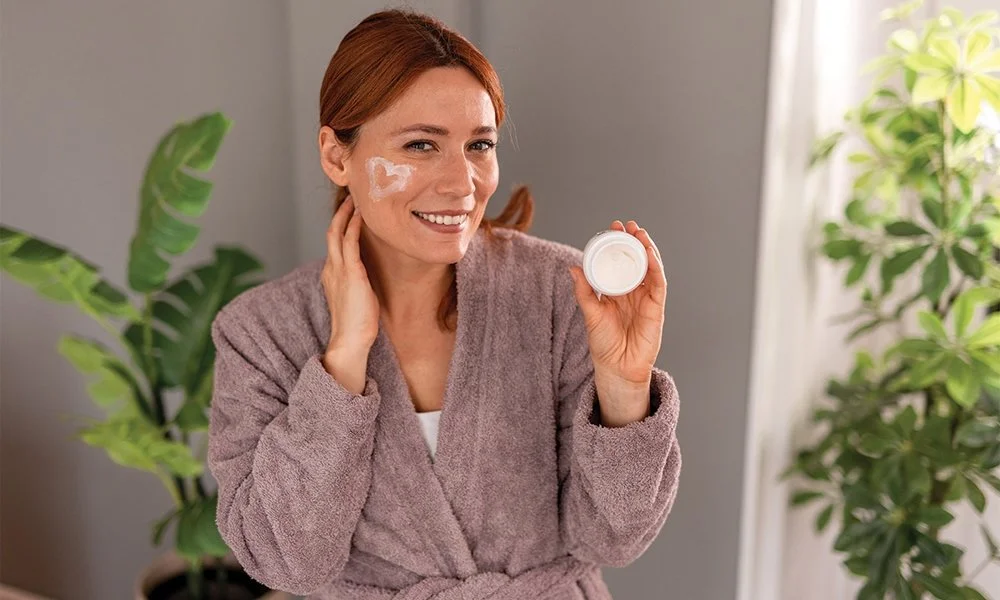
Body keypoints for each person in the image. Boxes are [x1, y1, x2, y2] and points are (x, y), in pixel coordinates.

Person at [207, 9, 681, 600]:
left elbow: (611, 542)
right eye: (421, 144)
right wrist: (343, 363)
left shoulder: (560, 294)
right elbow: (286, 563)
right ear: (336, 156)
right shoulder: (261, 334)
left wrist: (624, 386)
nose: (462, 182)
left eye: (479, 145)